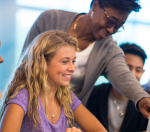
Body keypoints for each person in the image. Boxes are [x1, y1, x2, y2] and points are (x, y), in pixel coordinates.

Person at [21, 0, 150, 119]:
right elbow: (24, 68)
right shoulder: (50, 20)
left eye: (119, 26)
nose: (112, 30)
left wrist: (142, 98)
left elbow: (123, 75)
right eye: (111, 21)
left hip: (66, 120)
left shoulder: (109, 49)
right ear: (95, 5)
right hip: (31, 111)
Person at [0, 30, 113, 132]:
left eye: (73, 61)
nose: (72, 68)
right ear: (41, 62)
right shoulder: (23, 95)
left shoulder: (66, 96)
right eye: (65, 61)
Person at [87, 43, 148, 132]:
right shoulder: (94, 93)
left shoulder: (146, 100)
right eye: (127, 68)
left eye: (138, 70)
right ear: (116, 69)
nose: (132, 74)